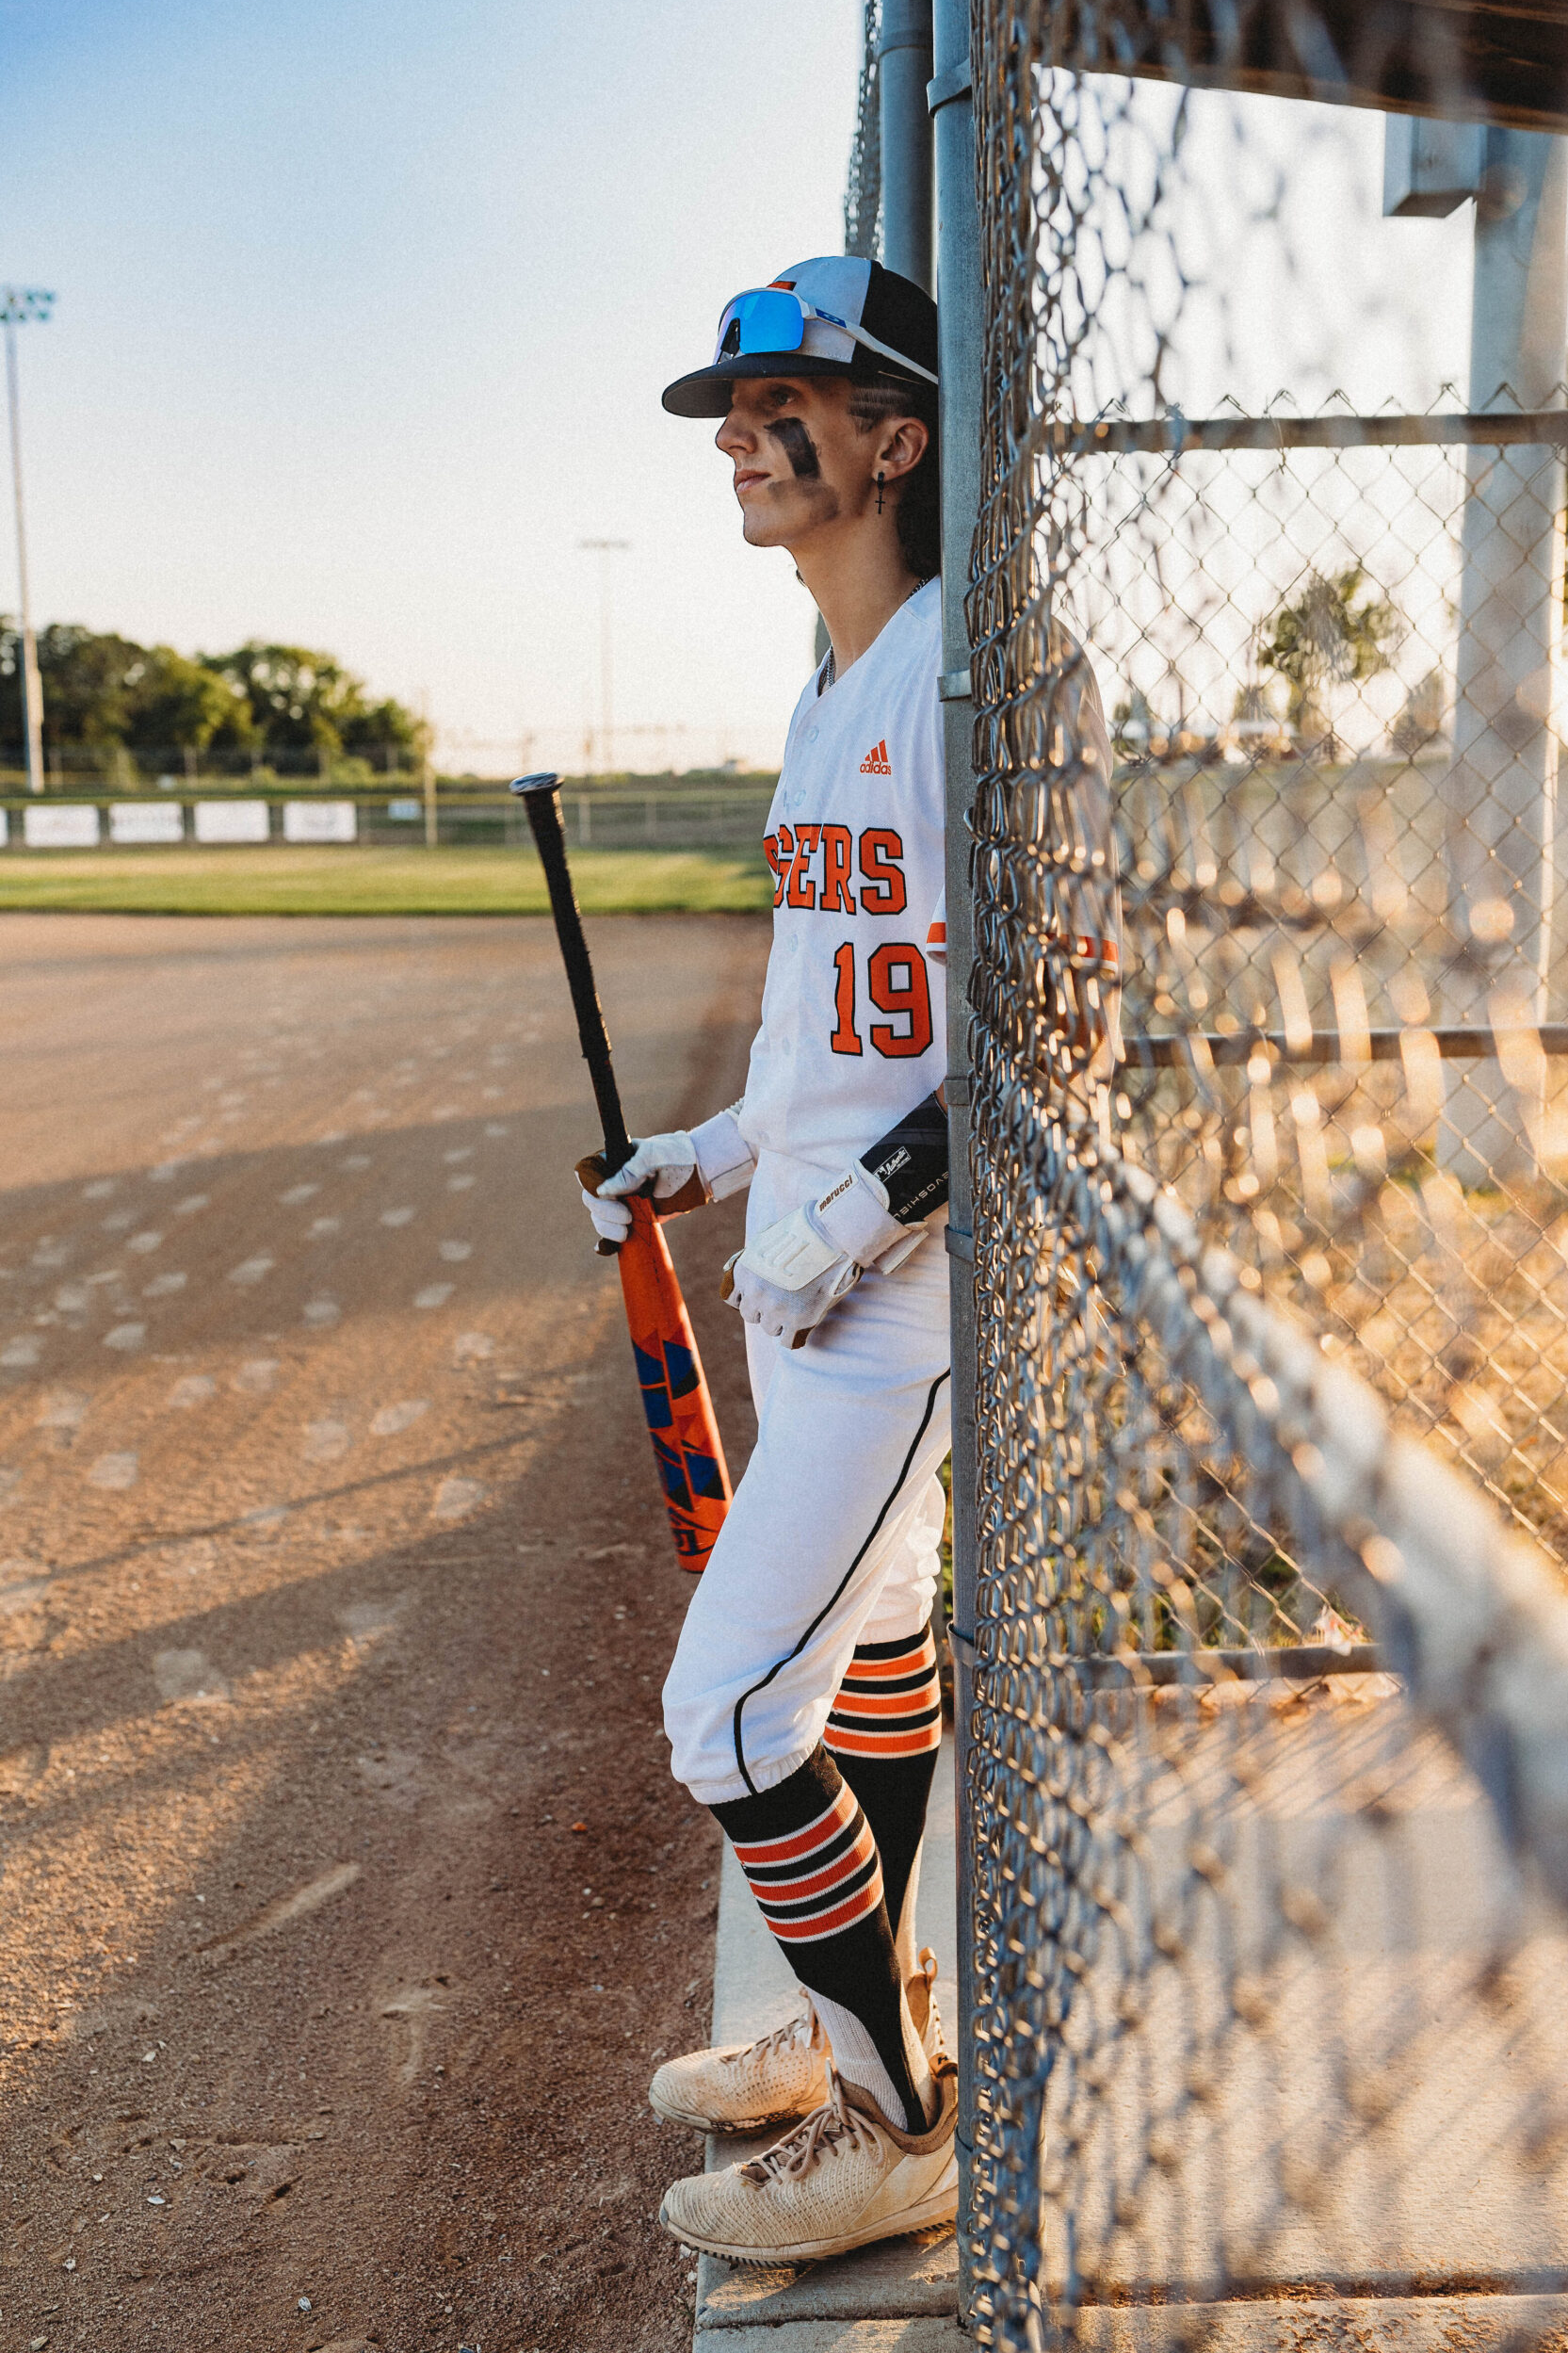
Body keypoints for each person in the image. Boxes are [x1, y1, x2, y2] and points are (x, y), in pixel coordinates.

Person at [574, 256, 1119, 2264]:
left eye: (779, 393)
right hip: (818, 1271)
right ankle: (844, 2031)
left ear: (894, 436)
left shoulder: (986, 665)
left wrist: (844, 1214)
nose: (734, 425)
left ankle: (889, 2126)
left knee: (724, 1708)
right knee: (870, 1649)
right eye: (726, 396)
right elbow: (846, 1018)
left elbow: (1042, 1026)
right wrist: (714, 1153)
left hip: (895, 1302)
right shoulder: (827, 679)